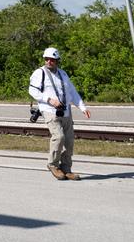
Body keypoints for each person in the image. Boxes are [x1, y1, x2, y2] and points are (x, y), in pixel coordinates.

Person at [28, 47, 91, 180]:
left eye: (52, 59)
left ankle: (66, 169)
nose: (49, 61)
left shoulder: (63, 74)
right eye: (47, 59)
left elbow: (72, 92)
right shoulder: (39, 73)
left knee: (69, 141)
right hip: (49, 110)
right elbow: (33, 91)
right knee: (59, 137)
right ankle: (53, 165)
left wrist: (82, 107)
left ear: (57, 61)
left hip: (66, 110)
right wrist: (49, 100)